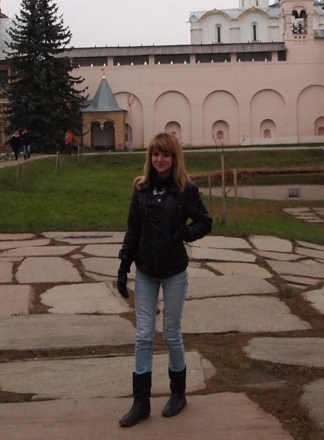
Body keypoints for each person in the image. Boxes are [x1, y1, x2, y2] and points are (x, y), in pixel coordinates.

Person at [116, 132, 212, 427]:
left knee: (171, 333)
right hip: (145, 270)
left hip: (173, 271)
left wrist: (183, 233)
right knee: (143, 334)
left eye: (165, 155)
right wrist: (124, 265)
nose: (160, 160)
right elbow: (133, 229)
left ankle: (178, 393)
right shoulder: (141, 189)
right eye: (155, 155)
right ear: (150, 158)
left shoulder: (185, 190)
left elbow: (205, 222)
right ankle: (141, 402)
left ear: (174, 158)